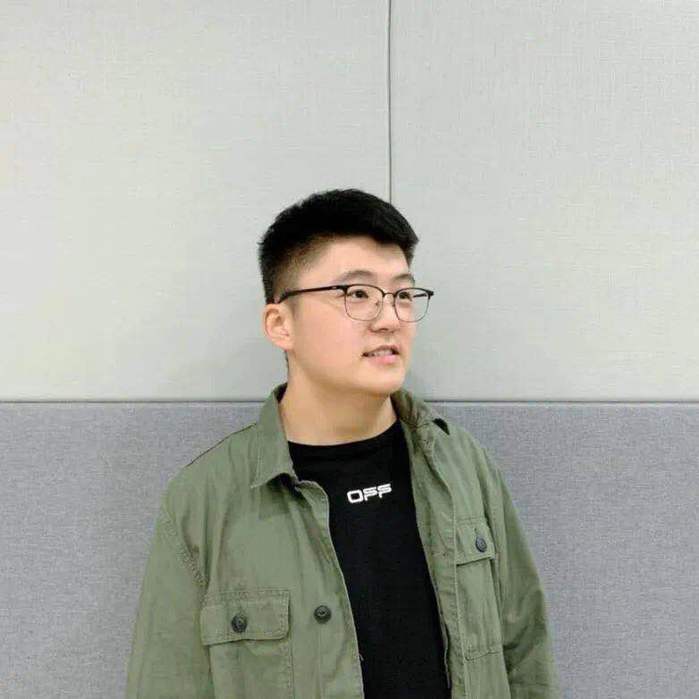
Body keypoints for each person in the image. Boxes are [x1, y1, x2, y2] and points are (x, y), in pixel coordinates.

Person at [125, 188, 561, 698]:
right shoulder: (205, 501)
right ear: (280, 324)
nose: (389, 318)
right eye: (357, 294)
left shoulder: (462, 465)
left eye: (402, 295)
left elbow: (526, 657)